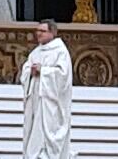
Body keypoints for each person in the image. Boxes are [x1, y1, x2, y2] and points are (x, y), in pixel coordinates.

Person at [20, 19, 73, 159]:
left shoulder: (60, 51)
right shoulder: (36, 52)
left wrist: (43, 71)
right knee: (34, 131)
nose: (38, 34)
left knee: (48, 129)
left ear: (52, 33)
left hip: (50, 102)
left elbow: (63, 75)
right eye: (37, 31)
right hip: (36, 99)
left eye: (42, 31)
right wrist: (30, 72)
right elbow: (25, 71)